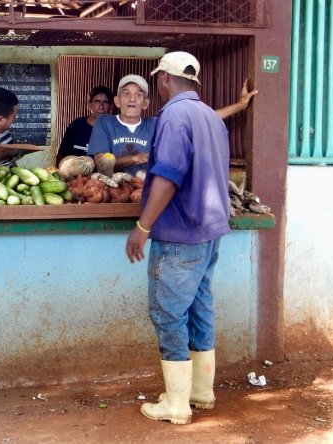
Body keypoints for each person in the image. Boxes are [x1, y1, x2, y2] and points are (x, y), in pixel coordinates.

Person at [125, 52, 232, 425]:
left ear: (165, 79)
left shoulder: (173, 115)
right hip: (210, 231)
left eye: (158, 78)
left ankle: (175, 404)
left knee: (169, 313)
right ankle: (200, 392)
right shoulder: (209, 116)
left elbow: (168, 176)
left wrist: (143, 228)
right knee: (199, 307)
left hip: (180, 232)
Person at [88, 74, 257, 176]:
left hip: (145, 192)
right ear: (117, 101)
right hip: (113, 192)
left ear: (145, 103)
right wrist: (135, 158)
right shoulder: (105, 122)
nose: (132, 99)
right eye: (126, 94)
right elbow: (100, 162)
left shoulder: (156, 124)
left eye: (138, 95)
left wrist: (240, 105)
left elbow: (200, 118)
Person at [55, 85, 114, 165]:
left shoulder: (115, 129)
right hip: (75, 175)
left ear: (111, 106)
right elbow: (61, 155)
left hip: (103, 176)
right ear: (89, 105)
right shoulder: (76, 126)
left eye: (105, 102)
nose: (101, 107)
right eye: (97, 101)